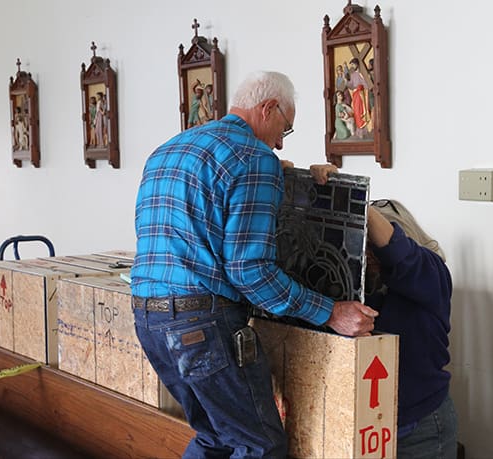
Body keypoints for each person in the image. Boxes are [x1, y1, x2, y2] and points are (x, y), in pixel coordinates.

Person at [131, 70, 378, 459]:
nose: (280, 143)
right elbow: (250, 272)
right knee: (259, 445)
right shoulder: (254, 158)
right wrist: (331, 312)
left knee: (214, 437)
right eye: (285, 129)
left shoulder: (170, 149)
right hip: (202, 327)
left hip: (148, 320)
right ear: (268, 108)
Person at [365, 199, 458, 459]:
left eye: (372, 245)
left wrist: (359, 205)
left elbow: (400, 255)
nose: (369, 255)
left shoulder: (431, 273)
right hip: (371, 428)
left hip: (420, 428)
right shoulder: (362, 286)